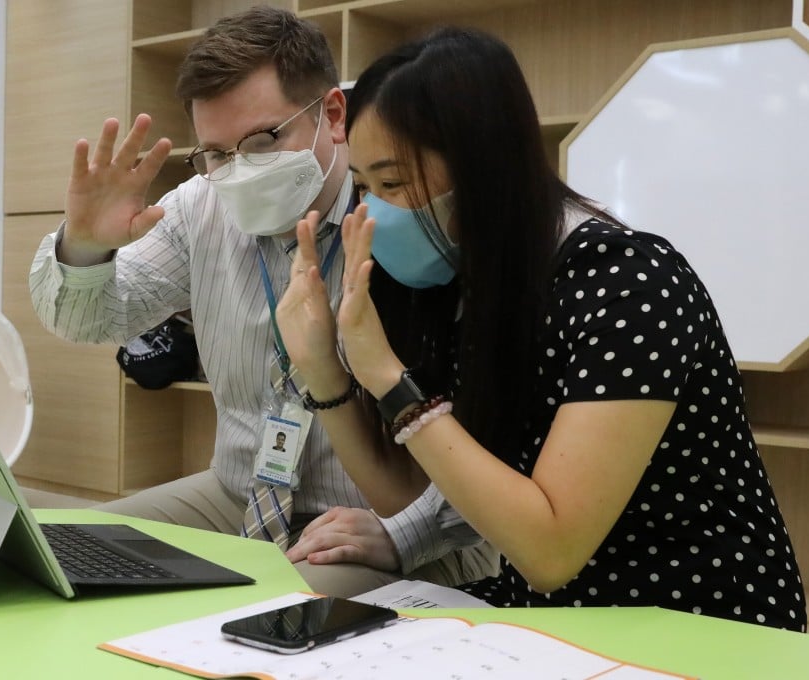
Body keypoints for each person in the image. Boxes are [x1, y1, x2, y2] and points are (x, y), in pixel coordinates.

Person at [274, 26, 806, 630]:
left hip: (694, 619)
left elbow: (551, 551)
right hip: (551, 615)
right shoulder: (465, 280)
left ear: (481, 167)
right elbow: (403, 494)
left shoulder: (630, 281)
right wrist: (324, 367)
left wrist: (389, 378)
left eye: (394, 183)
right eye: (366, 187)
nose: (377, 212)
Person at [29, 6, 498, 597]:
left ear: (332, 115)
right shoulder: (202, 203)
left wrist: (407, 532)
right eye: (218, 153)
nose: (238, 171)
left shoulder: (406, 208)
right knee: (62, 557)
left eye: (261, 141)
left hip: (392, 520)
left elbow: (504, 452)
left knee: (267, 617)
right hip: (237, 494)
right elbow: (88, 319)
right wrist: (86, 247)